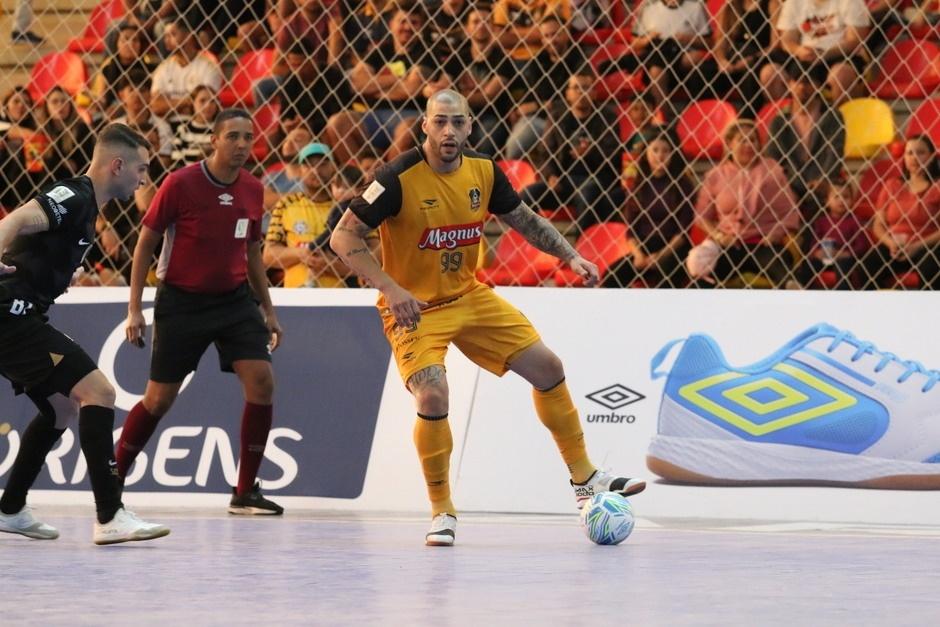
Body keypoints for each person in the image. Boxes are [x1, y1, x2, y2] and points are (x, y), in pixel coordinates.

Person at [330, 89, 646, 547]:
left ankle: (586, 480)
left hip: (470, 296)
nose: (449, 132)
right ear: (425, 126)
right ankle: (441, 511)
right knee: (433, 394)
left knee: (549, 368)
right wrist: (391, 288)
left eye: (458, 123)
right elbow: (344, 238)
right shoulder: (397, 177)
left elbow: (525, 220)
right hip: (414, 308)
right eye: (440, 122)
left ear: (471, 126)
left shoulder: (483, 171)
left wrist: (572, 256)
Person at [0, 123, 169, 544]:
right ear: (117, 165)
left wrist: (59, 273)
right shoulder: (74, 196)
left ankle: (11, 507)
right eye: (142, 169)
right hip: (9, 317)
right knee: (100, 393)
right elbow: (18, 219)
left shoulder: (89, 208)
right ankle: (110, 515)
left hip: (23, 316)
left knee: (60, 408)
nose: (145, 179)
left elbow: (37, 251)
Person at [116, 109, 285, 515]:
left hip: (234, 301)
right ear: (214, 139)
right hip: (182, 304)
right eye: (233, 137)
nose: (242, 145)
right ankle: (112, 477)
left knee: (262, 381)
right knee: (158, 400)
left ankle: (245, 492)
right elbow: (145, 246)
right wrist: (135, 308)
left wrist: (268, 309)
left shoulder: (253, 189)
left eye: (248, 137)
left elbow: (252, 253)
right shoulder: (180, 184)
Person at [690, 120, 800, 288]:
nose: (748, 145)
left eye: (753, 140)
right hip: (728, 245)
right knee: (699, 276)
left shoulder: (773, 171)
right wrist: (719, 236)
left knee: (781, 270)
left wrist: (776, 233)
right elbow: (701, 216)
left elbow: (790, 213)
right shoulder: (715, 175)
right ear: (729, 143)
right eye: (742, 140)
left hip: (763, 243)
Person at [602, 131, 695, 288]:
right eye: (655, 150)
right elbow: (631, 231)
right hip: (644, 246)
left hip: (674, 248)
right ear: (646, 153)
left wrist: (660, 256)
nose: (660, 156)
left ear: (673, 154)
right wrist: (639, 255)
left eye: (666, 151)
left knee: (665, 276)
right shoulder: (637, 186)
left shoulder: (684, 186)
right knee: (611, 276)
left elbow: (683, 232)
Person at [862, 135, 940, 290]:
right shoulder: (891, 185)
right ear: (903, 157)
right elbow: (878, 225)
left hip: (926, 246)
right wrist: (890, 243)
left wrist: (917, 246)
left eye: (920, 152)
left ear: (931, 156)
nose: (914, 157)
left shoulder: (937, 187)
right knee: (867, 265)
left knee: (931, 267)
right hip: (895, 246)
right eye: (909, 153)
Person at [794, 173, 867, 289]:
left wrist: (844, 254)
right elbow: (815, 243)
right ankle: (805, 293)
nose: (841, 201)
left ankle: (842, 298)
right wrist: (817, 253)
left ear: (852, 200)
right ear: (827, 201)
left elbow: (862, 246)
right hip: (825, 258)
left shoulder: (855, 221)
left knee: (843, 266)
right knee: (808, 266)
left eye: (846, 197)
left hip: (845, 259)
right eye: (836, 197)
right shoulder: (821, 221)